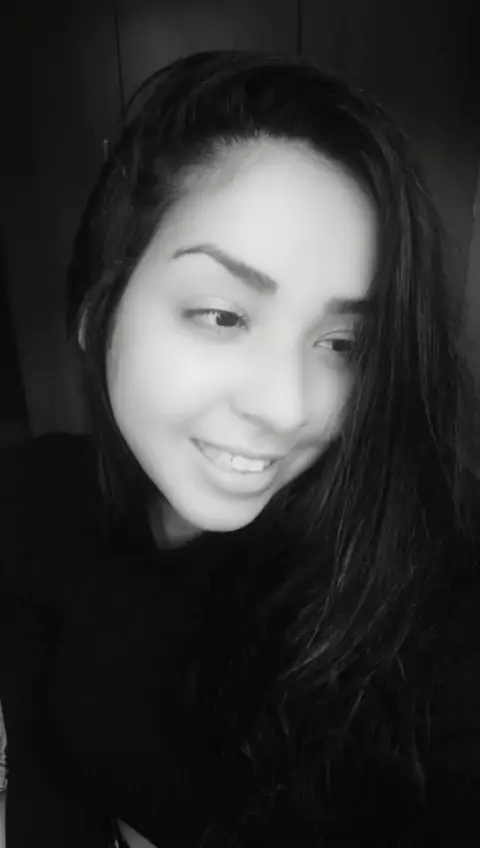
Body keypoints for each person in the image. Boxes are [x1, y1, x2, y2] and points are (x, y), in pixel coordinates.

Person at [1, 48, 480, 848]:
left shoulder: (431, 597)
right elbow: (43, 773)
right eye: (224, 316)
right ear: (97, 309)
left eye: (342, 343)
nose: (289, 409)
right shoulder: (39, 499)